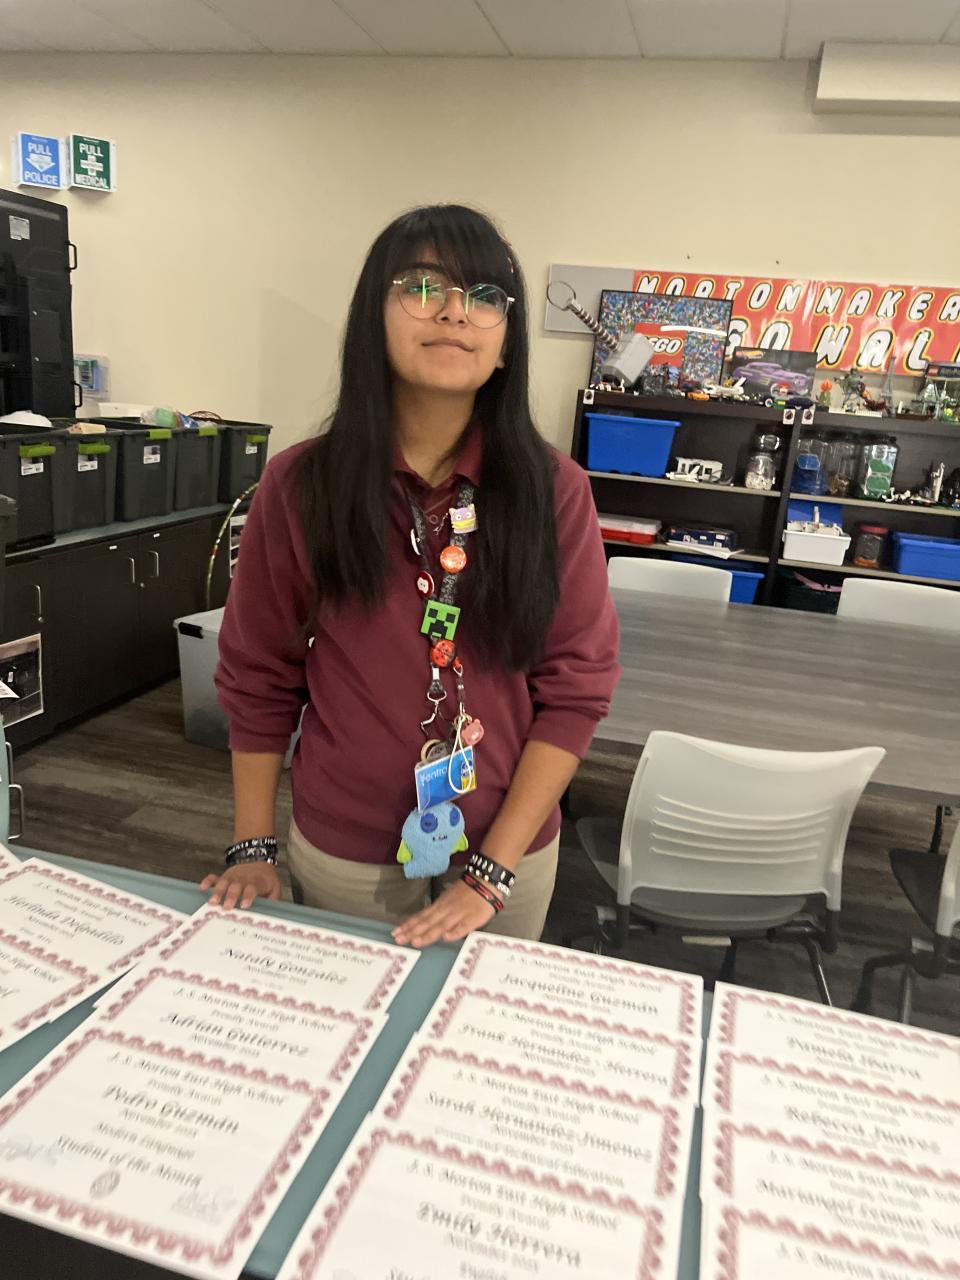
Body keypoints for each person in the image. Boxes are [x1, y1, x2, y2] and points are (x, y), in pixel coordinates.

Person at [203, 204, 620, 948]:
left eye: (485, 296)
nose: (455, 311)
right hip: (345, 848)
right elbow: (258, 674)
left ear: (505, 344)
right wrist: (252, 845)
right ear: (375, 316)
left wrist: (491, 872)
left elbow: (576, 689)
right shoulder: (301, 485)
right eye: (424, 287)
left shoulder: (553, 490)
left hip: (508, 852)